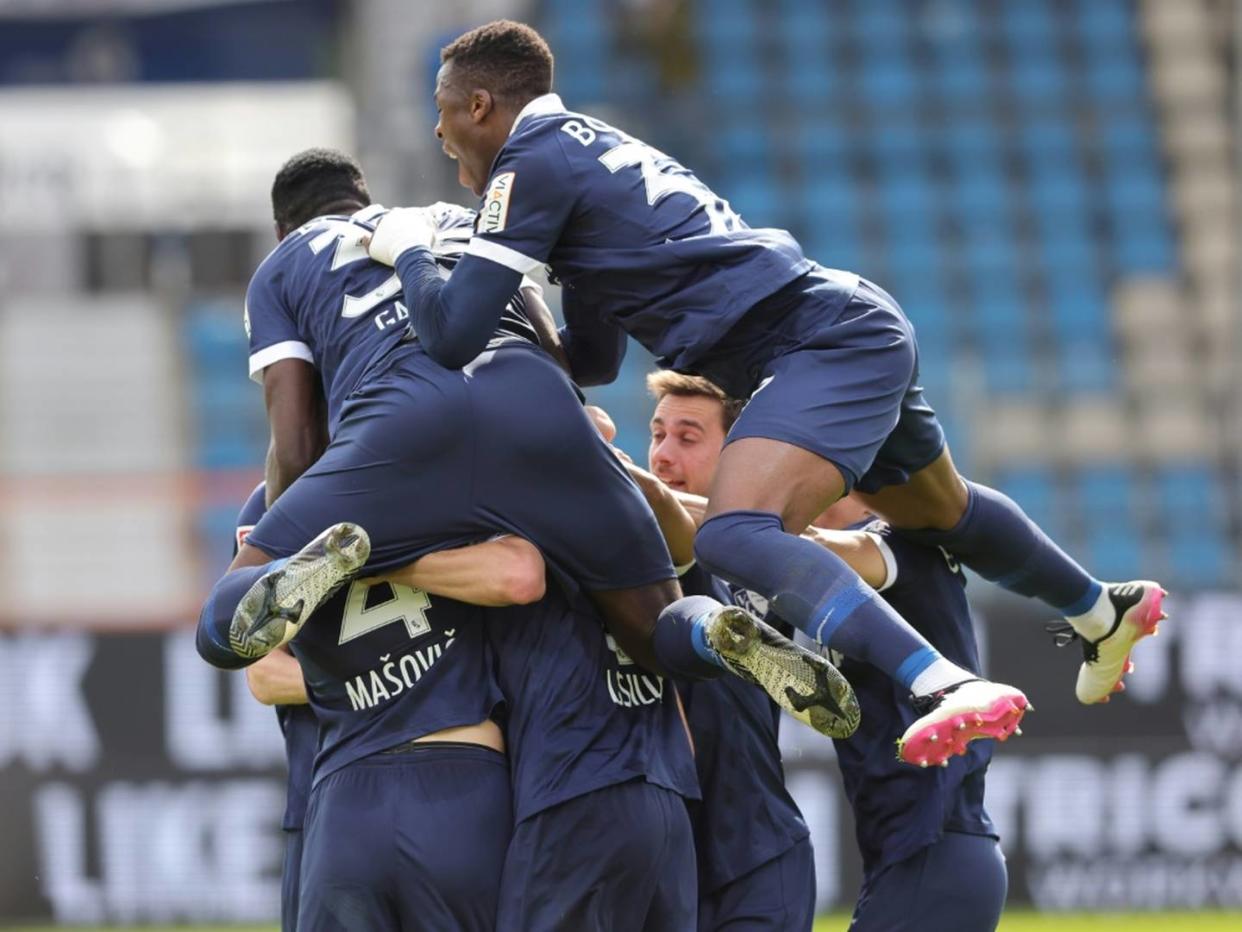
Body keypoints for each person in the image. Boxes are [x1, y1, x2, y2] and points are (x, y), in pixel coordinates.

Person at [368, 20, 1168, 764]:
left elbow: (448, 336)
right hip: (844, 325)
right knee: (936, 512)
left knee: (732, 534)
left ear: (480, 103)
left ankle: (946, 682)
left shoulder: (529, 164)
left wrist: (409, 252)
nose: (439, 134)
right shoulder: (586, 153)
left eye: (444, 115)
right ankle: (1101, 611)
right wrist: (533, 310)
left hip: (811, 344)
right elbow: (594, 357)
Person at [198, 147, 858, 741]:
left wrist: (292, 525)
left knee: (223, 627)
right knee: (658, 634)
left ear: (283, 226)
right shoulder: (455, 221)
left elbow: (296, 433)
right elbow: (561, 359)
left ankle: (309, 565)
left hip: (398, 420)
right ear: (364, 198)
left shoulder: (283, 265)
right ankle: (717, 631)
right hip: (535, 403)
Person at [642, 372, 1007, 931]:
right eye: (658, 435)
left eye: (688, 438)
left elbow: (801, 548)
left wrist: (624, 489)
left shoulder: (893, 547)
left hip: (936, 847)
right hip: (905, 854)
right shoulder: (798, 586)